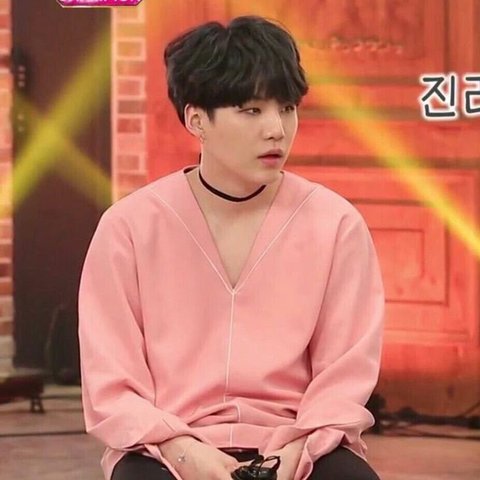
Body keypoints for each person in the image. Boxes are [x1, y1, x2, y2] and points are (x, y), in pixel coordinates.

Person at [78, 15, 384, 480]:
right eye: (251, 110)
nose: (277, 129)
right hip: (165, 447)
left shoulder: (336, 224)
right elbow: (112, 385)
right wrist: (182, 451)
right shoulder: (129, 228)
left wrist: (296, 453)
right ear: (196, 119)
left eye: (286, 108)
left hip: (299, 444)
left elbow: (344, 375)